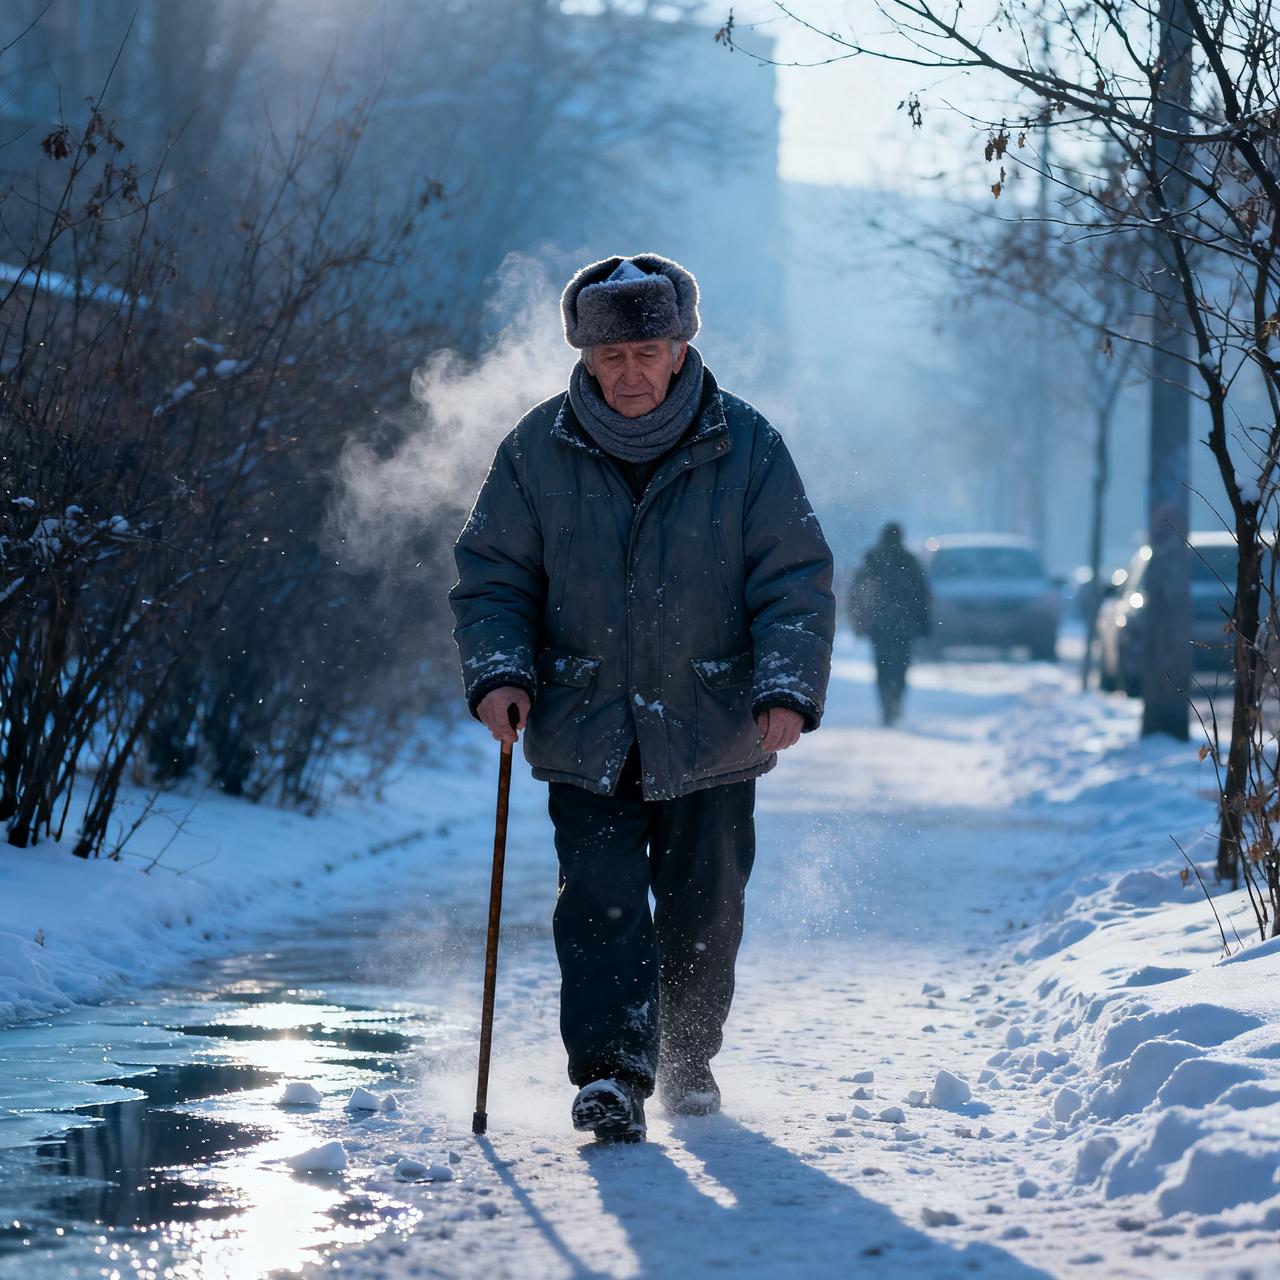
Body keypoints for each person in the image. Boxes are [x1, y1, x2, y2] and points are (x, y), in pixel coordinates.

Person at [449, 254, 835, 1142]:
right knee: (599, 904)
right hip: (585, 725)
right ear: (584, 355)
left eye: (647, 351)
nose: (630, 372)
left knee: (706, 906)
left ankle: (688, 1059)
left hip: (712, 721)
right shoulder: (535, 448)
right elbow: (493, 578)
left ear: (680, 346)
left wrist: (784, 686)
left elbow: (796, 579)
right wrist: (501, 674)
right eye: (611, 355)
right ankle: (616, 1075)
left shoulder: (747, 444)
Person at [848, 523, 930, 725]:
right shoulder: (909, 561)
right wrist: (923, 622)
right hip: (903, 625)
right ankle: (896, 700)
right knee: (901, 667)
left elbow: (858, 593)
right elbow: (921, 594)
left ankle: (886, 704)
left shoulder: (872, 559)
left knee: (882, 667)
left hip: (879, 625)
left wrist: (859, 622)